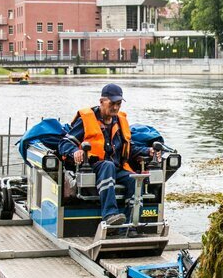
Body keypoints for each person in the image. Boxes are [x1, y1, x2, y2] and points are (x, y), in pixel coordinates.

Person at [59, 83, 156, 226]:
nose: (116, 108)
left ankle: (130, 226)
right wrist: (75, 151)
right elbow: (64, 143)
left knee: (135, 180)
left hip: (116, 168)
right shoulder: (86, 120)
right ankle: (109, 214)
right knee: (107, 165)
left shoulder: (120, 121)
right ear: (101, 102)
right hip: (93, 167)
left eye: (118, 104)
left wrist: (148, 151)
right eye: (112, 103)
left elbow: (129, 147)